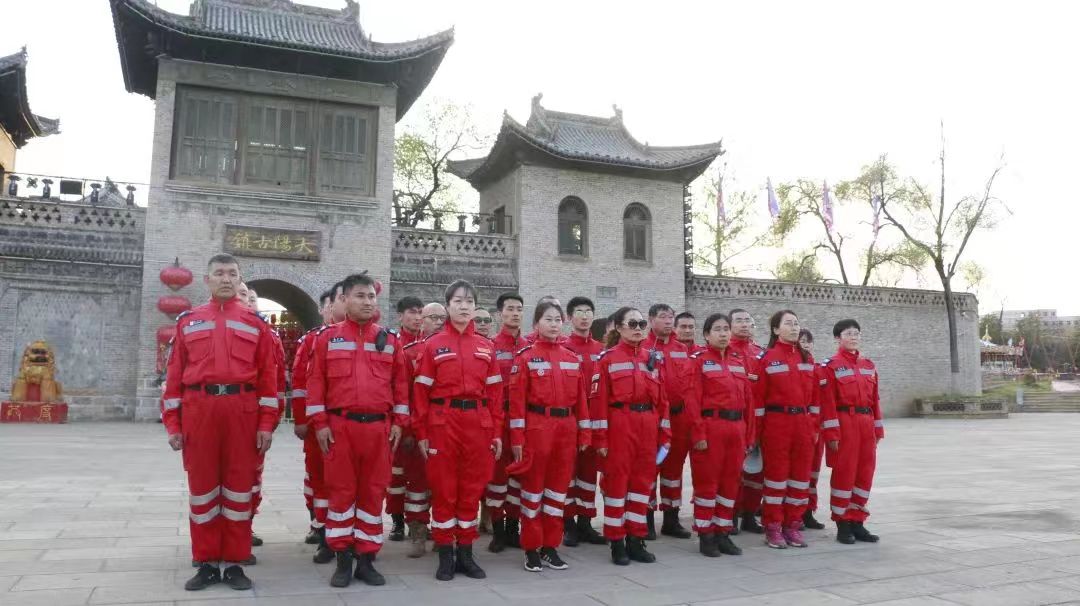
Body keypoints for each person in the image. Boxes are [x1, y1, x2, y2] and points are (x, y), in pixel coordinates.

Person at [163, 254, 279, 591]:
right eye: (219, 273)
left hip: (242, 412)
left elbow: (268, 380)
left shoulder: (256, 325)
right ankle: (207, 562)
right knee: (202, 491)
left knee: (239, 490)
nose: (226, 279)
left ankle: (235, 563)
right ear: (207, 280)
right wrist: (173, 424)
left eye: (232, 274)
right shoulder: (189, 322)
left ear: (239, 279)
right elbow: (174, 378)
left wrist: (266, 424)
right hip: (199, 411)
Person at [305, 273, 410, 587]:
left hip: (378, 429)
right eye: (360, 296)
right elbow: (315, 383)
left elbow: (401, 385)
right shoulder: (327, 338)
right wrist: (320, 424)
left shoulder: (390, 340)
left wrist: (400, 422)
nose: (367, 302)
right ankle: (342, 560)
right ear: (344, 299)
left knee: (372, 494)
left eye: (371, 296)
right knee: (341, 494)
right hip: (340, 428)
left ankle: (366, 560)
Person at [412, 280, 505, 581]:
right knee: (444, 490)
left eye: (469, 302)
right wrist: (422, 432)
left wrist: (496, 432)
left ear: (475, 307)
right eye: (458, 301)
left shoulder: (485, 346)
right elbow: (420, 394)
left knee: (471, 489)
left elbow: (496, 396)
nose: (464, 307)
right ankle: (445, 555)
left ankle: (465, 554)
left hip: (478, 423)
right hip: (443, 423)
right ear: (448, 306)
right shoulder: (433, 345)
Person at [507, 301, 591, 571]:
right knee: (533, 490)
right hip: (537, 427)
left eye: (557, 320)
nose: (554, 324)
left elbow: (581, 400)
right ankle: (531, 548)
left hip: (566, 428)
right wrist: (517, 439)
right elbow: (517, 404)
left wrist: (584, 432)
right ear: (536, 324)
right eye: (548, 319)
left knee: (557, 491)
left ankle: (550, 546)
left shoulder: (571, 358)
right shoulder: (526, 357)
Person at [592, 306, 672, 566]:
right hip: (620, 425)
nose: (638, 329)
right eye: (632, 324)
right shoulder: (607, 359)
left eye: (641, 324)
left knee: (641, 486)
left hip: (647, 425)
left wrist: (664, 434)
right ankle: (617, 542)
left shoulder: (653, 358)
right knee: (617, 487)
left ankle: (636, 540)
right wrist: (601, 439)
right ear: (618, 327)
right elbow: (599, 402)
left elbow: (662, 401)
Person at [685, 313, 755, 557]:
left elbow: (749, 401)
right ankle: (706, 535)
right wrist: (698, 434)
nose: (723, 333)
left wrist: (749, 435)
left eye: (726, 329)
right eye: (717, 329)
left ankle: (723, 532)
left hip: (736, 429)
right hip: (711, 427)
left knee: (730, 483)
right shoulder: (698, 361)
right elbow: (691, 400)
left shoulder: (737, 361)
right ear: (706, 335)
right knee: (707, 484)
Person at [755, 310, 817, 549]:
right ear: (775, 330)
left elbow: (815, 398)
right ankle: (773, 527)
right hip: (777, 424)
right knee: (776, 478)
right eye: (788, 324)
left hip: (802, 424)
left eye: (796, 323)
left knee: (800, 479)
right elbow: (758, 400)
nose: (794, 328)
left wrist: (812, 426)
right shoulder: (767, 359)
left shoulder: (807, 358)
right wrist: (757, 434)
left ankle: (792, 525)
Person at [819, 319, 883, 545]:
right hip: (845, 422)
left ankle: (858, 521)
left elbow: (875, 400)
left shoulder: (868, 365)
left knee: (865, 472)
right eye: (848, 333)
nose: (853, 337)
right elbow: (827, 403)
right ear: (838, 338)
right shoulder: (830, 366)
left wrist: (878, 428)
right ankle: (842, 523)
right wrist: (832, 433)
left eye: (856, 333)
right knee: (844, 473)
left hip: (866, 422)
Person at [396, 302, 449, 559]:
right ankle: (417, 531)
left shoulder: (452, 350)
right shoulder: (409, 353)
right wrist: (407, 431)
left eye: (441, 317)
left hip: (447, 428)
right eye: (432, 317)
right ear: (422, 321)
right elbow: (403, 394)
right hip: (419, 429)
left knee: (443, 485)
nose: (437, 322)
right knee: (417, 483)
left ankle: (442, 533)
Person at [291, 286, 338, 557]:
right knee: (318, 478)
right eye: (330, 304)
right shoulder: (310, 340)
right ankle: (320, 528)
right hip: (316, 423)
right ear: (322, 309)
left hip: (346, 422)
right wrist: (301, 418)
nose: (335, 308)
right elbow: (300, 384)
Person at [561, 296, 607, 547]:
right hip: (570, 419)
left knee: (588, 473)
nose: (585, 315)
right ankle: (568, 524)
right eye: (579, 311)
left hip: (595, 418)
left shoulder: (601, 350)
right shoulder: (563, 347)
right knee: (568, 473)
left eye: (589, 311)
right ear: (570, 318)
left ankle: (586, 523)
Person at [644, 304, 693, 540]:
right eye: (662, 317)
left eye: (670, 317)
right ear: (651, 320)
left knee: (674, 470)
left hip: (678, 417)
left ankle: (671, 519)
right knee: (650, 467)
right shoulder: (644, 347)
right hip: (653, 418)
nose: (667, 321)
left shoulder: (681, 348)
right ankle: (646, 519)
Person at [487, 292, 526, 552]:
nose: (515, 313)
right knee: (497, 477)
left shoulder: (529, 346)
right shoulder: (490, 346)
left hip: (523, 421)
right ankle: (498, 531)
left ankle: (514, 529)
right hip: (499, 420)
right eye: (510, 308)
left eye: (519, 309)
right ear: (500, 313)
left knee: (520, 476)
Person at [386, 296, 425, 542]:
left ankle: (418, 523)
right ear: (400, 316)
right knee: (396, 475)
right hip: (397, 423)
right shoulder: (392, 344)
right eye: (412, 312)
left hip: (421, 423)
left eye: (420, 312)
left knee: (420, 477)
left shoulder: (428, 345)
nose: (417, 317)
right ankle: (397, 521)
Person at [729, 308, 765, 535]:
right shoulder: (725, 351)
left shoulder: (761, 353)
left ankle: (750, 515)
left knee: (756, 473)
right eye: (739, 321)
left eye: (747, 321)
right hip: (734, 419)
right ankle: (730, 515)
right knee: (732, 471)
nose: (744, 324)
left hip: (759, 420)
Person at [799, 329, 827, 531]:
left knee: (813, 473)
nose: (806, 344)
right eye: (802, 341)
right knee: (797, 474)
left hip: (817, 429)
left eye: (809, 341)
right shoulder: (795, 369)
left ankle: (808, 512)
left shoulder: (819, 369)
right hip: (799, 426)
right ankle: (794, 513)